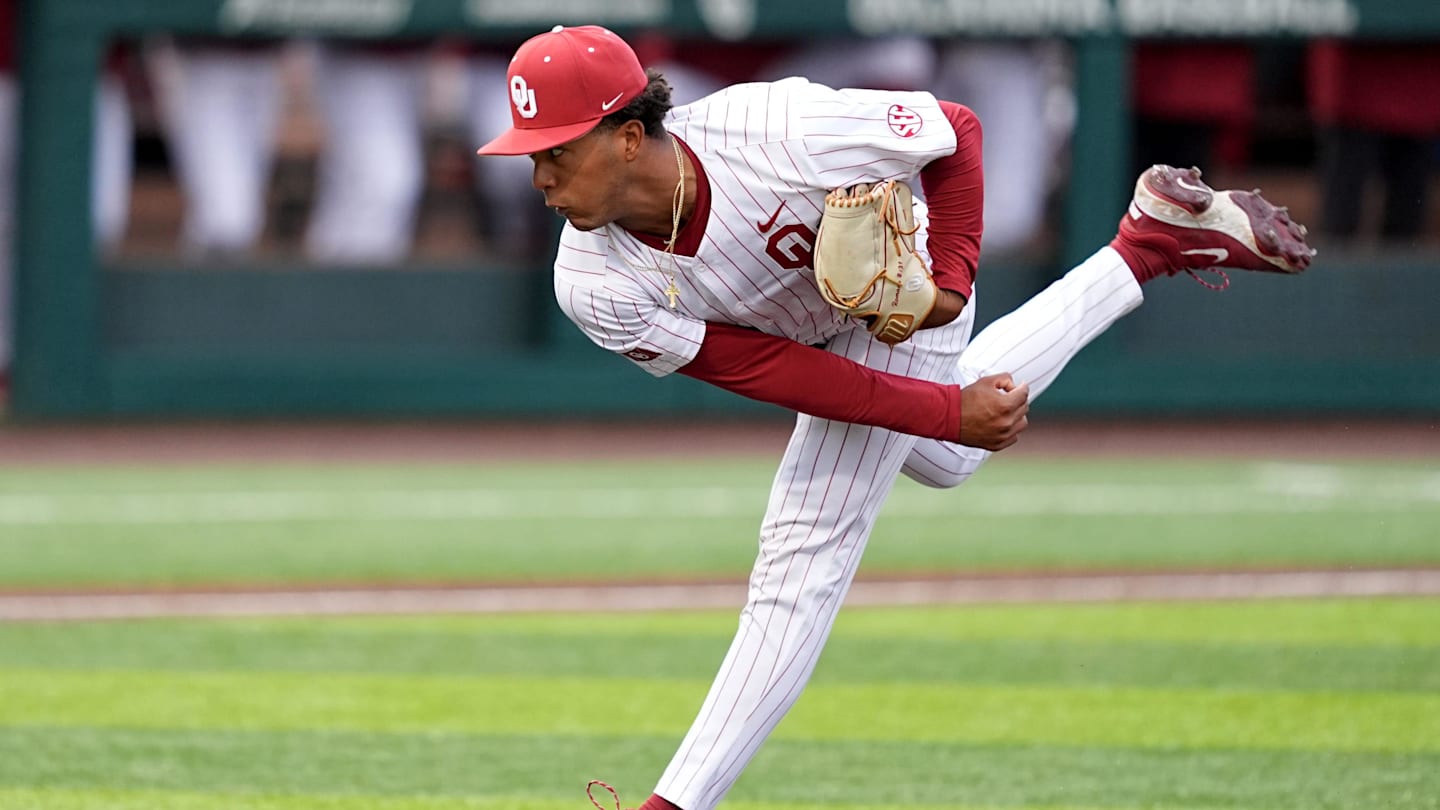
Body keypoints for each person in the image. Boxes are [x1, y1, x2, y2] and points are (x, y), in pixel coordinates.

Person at [477, 25, 1313, 810]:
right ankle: (1146, 245)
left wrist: (948, 285)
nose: (539, 179)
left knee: (803, 551)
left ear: (628, 136)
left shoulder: (773, 131)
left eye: (555, 153)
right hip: (812, 341)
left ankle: (672, 802)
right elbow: (769, 369)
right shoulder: (589, 283)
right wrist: (946, 414)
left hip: (900, 299)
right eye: (531, 157)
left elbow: (956, 130)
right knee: (947, 458)